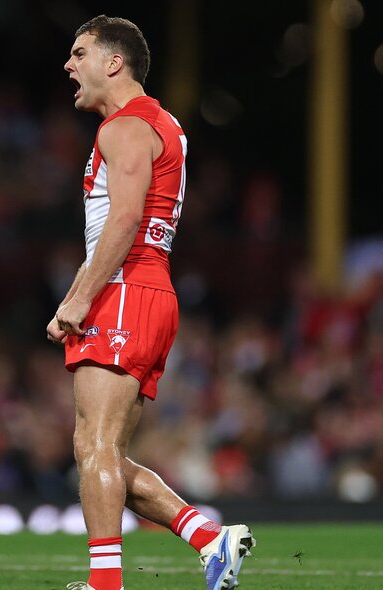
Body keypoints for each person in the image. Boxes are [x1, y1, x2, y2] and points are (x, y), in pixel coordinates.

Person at [46, 16, 255, 590]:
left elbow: (126, 218)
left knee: (95, 447)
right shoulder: (158, 123)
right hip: (146, 291)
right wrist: (80, 296)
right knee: (101, 451)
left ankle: (106, 584)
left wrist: (80, 299)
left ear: (114, 62)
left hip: (125, 291)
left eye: (79, 52)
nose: (69, 65)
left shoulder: (126, 128)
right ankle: (212, 540)